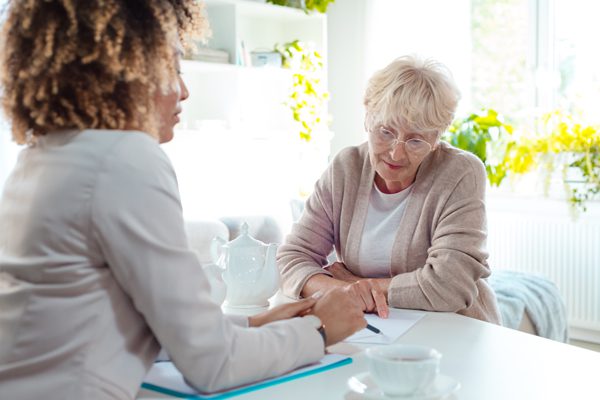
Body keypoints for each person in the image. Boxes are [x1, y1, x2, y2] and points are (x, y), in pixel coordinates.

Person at [0, 1, 366, 399]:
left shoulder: (43, 158)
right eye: (173, 67)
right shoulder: (124, 158)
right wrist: (320, 330)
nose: (185, 90)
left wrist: (256, 324)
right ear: (126, 72)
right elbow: (213, 365)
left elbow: (121, 328)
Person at [277, 55, 501, 324]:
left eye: (416, 140)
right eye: (386, 132)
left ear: (437, 136)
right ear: (368, 119)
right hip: (373, 330)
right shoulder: (346, 168)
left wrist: (359, 285)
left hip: (454, 329)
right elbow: (292, 258)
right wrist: (346, 291)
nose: (397, 152)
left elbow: (449, 287)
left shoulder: (460, 173)